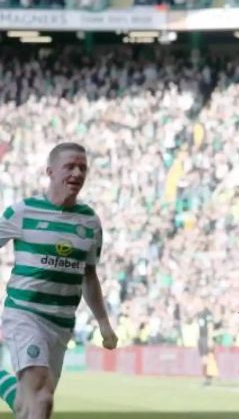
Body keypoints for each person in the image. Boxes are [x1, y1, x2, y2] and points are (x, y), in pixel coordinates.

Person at [0, 143, 118, 419]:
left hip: (62, 323)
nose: (77, 172)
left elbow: (89, 275)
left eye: (83, 168)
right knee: (39, 396)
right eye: (70, 166)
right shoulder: (22, 212)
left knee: (35, 403)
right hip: (25, 314)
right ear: (50, 172)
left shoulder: (90, 222)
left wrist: (103, 323)